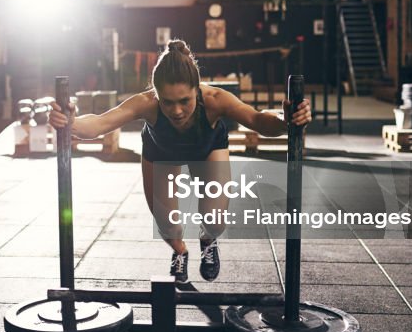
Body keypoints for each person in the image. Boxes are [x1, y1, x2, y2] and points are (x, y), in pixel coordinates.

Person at [50, 39, 311, 283]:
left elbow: (257, 120)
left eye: (184, 101)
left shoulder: (215, 100)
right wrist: (70, 121)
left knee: (215, 221)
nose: (176, 110)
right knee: (167, 225)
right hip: (161, 153)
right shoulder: (146, 103)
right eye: (168, 102)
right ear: (156, 94)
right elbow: (99, 124)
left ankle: (208, 240)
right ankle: (180, 252)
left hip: (207, 148)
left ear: (197, 90)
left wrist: (284, 119)